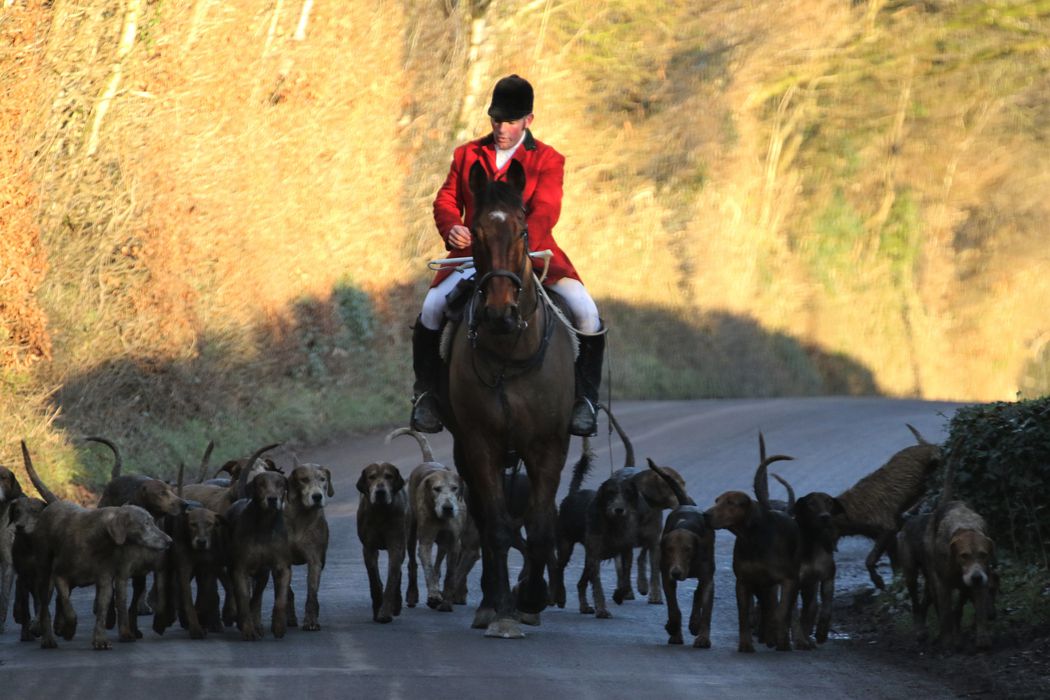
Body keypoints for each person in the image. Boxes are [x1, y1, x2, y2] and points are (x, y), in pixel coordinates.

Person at [410, 74, 605, 437]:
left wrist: (518, 245)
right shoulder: (467, 155)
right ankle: (428, 396)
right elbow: (446, 199)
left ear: (528, 121)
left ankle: (585, 400)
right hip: (474, 255)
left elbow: (547, 208)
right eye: (496, 120)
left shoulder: (548, 159)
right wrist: (452, 225)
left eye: (510, 121)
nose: (501, 128)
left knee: (586, 312)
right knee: (432, 308)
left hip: (532, 253)